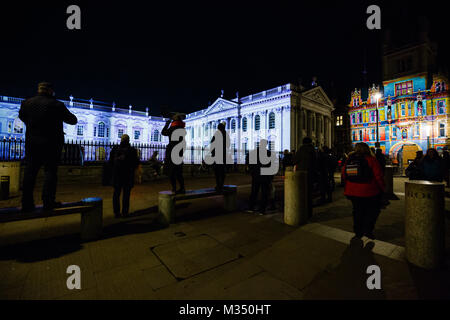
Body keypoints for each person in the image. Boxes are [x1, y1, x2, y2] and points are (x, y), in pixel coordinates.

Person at [19, 82, 78, 212]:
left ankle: (26, 203)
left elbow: (22, 117)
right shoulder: (56, 105)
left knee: (30, 173)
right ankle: (48, 202)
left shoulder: (26, 103)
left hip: (32, 143)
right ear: (51, 91)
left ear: (39, 90)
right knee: (50, 173)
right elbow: (73, 120)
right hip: (51, 144)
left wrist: (33, 125)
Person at [342, 142, 384, 240]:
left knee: (357, 211)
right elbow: (378, 176)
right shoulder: (372, 160)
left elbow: (344, 175)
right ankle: (368, 230)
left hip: (352, 191)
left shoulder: (349, 159)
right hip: (369, 191)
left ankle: (358, 232)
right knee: (372, 211)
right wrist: (382, 188)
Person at [109, 134, 139, 218]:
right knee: (126, 195)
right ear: (128, 140)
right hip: (128, 175)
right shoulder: (132, 150)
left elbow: (110, 162)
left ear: (121, 140)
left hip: (117, 175)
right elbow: (136, 163)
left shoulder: (115, 149)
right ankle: (125, 212)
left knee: (116, 194)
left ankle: (116, 212)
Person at [246, 140, 272, 214]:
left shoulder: (253, 152)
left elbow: (248, 161)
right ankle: (262, 210)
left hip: (256, 175)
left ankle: (251, 208)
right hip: (266, 175)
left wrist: (252, 170)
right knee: (264, 193)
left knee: (254, 192)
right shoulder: (269, 153)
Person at [162, 113, 186, 193]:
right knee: (178, 171)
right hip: (179, 150)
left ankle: (174, 188)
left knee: (171, 171)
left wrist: (167, 124)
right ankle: (182, 188)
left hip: (172, 150)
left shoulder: (173, 128)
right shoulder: (182, 128)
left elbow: (163, 132)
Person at [293, 137, 317, 218]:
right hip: (311, 174)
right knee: (309, 194)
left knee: (302, 193)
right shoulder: (313, 150)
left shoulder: (301, 149)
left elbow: (295, 160)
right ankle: (309, 212)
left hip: (302, 174)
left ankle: (303, 211)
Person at [210, 122, 229, 192]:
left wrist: (213, 153)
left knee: (217, 172)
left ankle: (219, 185)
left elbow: (212, 143)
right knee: (222, 171)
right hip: (223, 156)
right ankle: (221, 184)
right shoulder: (225, 134)